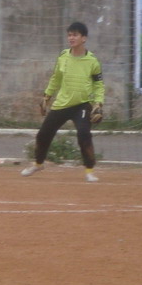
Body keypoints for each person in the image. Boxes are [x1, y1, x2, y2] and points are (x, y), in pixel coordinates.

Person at [22, 21, 105, 182]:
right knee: (43, 134)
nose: (71, 38)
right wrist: (47, 96)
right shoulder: (63, 56)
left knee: (83, 134)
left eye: (75, 35)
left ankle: (89, 170)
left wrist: (98, 103)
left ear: (84, 38)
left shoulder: (92, 60)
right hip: (62, 103)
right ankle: (38, 164)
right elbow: (56, 78)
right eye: (69, 35)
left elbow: (99, 85)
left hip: (82, 104)